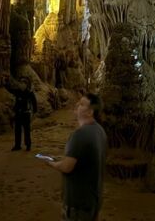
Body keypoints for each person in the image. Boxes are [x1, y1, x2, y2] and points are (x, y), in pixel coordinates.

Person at [45, 93, 108, 221]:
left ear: (90, 112)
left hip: (78, 204)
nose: (77, 105)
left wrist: (52, 163)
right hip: (93, 200)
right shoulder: (99, 130)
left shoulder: (80, 134)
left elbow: (67, 167)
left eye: (82, 104)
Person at [9, 76, 37, 151]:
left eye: (23, 83)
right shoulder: (17, 92)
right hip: (18, 114)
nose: (21, 84)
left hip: (26, 113)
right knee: (17, 130)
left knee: (26, 130)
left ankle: (28, 145)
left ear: (26, 84)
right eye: (20, 83)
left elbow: (34, 103)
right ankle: (17, 145)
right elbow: (10, 90)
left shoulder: (29, 93)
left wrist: (34, 112)